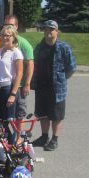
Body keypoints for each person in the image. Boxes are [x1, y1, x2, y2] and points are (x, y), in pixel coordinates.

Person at [32, 20, 76, 151]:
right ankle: (44, 137)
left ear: (57, 31)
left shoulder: (64, 47)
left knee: (56, 115)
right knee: (43, 114)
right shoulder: (39, 47)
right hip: (41, 86)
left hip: (57, 89)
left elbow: (72, 67)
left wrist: (61, 79)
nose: (48, 32)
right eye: (46, 29)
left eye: (51, 29)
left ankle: (55, 139)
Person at [0, 25, 23, 143]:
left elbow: (19, 74)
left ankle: (14, 141)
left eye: (8, 35)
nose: (5, 37)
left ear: (13, 37)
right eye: (3, 35)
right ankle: (6, 142)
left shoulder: (16, 52)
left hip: (7, 87)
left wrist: (13, 94)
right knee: (0, 118)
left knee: (9, 118)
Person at [4, 15, 34, 122]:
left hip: (20, 86)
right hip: (5, 84)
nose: (8, 27)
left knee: (19, 113)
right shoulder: (1, 43)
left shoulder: (24, 44)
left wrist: (27, 84)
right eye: (6, 25)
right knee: (3, 112)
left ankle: (18, 138)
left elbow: (30, 64)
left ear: (16, 26)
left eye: (11, 25)